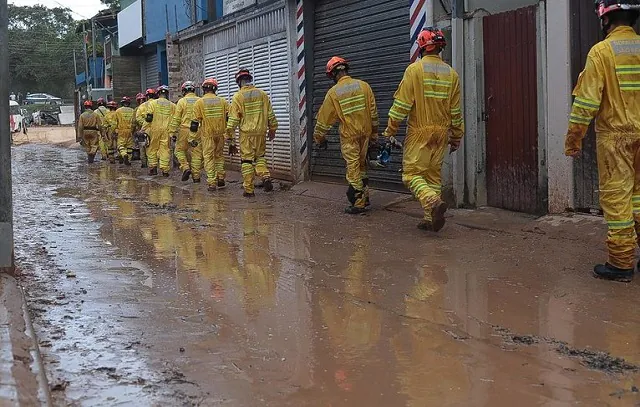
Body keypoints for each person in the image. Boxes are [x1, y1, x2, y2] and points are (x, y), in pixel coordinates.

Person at [565, 0, 640, 282]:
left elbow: (586, 103)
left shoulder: (601, 52)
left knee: (618, 200)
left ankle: (621, 263)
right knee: (639, 197)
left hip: (616, 139)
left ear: (606, 20)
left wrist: (574, 140)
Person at [382, 27, 464, 232]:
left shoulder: (414, 70)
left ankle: (431, 201)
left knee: (411, 175)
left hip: (420, 132)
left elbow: (401, 105)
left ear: (421, 46)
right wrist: (456, 136)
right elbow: (455, 110)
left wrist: (390, 131)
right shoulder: (452, 74)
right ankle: (430, 218)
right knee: (433, 176)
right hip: (441, 133)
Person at [313, 56, 379, 214]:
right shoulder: (364, 86)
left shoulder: (333, 93)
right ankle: (365, 196)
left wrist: (319, 138)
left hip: (350, 136)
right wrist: (375, 135)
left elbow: (323, 121)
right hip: (366, 133)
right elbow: (374, 113)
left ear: (332, 75)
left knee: (353, 168)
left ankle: (358, 202)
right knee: (362, 166)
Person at [226, 68, 278, 197]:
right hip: (261, 131)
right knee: (260, 157)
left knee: (247, 161)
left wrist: (230, 139)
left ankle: (249, 190)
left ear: (239, 82)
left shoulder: (238, 96)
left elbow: (233, 120)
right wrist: (272, 129)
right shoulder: (262, 94)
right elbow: (270, 114)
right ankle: (265, 176)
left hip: (246, 133)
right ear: (250, 80)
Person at [191, 78, 230, 192]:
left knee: (208, 157)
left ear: (204, 89)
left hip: (207, 134)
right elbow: (229, 118)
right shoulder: (223, 101)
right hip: (221, 133)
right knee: (219, 156)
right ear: (215, 88)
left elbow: (194, 123)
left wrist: (192, 138)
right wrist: (230, 136)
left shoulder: (199, 102)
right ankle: (221, 177)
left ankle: (212, 182)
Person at [169, 81, 201, 182]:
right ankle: (196, 177)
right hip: (197, 130)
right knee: (196, 153)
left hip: (184, 130)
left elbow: (176, 119)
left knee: (179, 151)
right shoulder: (200, 101)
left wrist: (172, 132)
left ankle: (185, 167)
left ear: (184, 91)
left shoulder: (182, 102)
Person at [145, 85, 176, 177]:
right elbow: (175, 119)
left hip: (154, 130)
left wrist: (143, 129)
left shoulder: (153, 104)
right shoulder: (172, 106)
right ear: (167, 94)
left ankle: (153, 168)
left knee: (152, 148)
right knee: (165, 150)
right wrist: (174, 132)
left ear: (158, 94)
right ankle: (165, 170)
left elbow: (149, 118)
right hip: (167, 131)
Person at [115, 96, 136, 166]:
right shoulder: (133, 111)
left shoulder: (118, 111)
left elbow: (115, 122)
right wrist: (133, 131)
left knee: (120, 145)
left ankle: (124, 154)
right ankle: (129, 161)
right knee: (129, 146)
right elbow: (134, 122)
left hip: (121, 131)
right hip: (130, 130)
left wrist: (115, 131)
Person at [133, 93, 149, 168]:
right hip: (151, 130)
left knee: (142, 148)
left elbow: (134, 121)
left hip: (141, 131)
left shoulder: (137, 109)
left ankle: (144, 164)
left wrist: (133, 131)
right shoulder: (150, 105)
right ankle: (153, 164)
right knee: (151, 147)